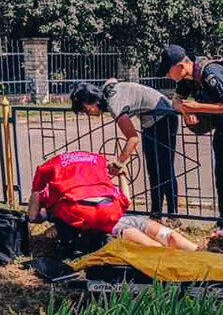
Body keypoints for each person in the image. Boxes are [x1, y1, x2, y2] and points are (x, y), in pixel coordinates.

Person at [158, 45, 223, 241]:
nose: (167, 75)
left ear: (180, 66)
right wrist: (186, 111)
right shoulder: (187, 79)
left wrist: (198, 107)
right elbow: (176, 101)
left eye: (168, 71)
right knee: (222, 172)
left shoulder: (209, 73)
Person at [28, 151, 197, 251]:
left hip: (77, 212)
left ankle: (161, 253)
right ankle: (196, 251)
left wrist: (52, 223)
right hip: (110, 209)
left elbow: (33, 216)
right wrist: (122, 174)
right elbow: (127, 200)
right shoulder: (98, 160)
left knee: (121, 229)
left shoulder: (48, 170)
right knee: (148, 227)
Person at [70, 79, 180, 226]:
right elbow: (113, 80)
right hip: (150, 121)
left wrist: (119, 163)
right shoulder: (107, 93)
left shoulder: (115, 105)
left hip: (164, 117)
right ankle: (156, 214)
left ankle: (173, 216)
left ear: (93, 100)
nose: (89, 114)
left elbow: (133, 139)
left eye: (86, 110)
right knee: (153, 170)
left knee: (165, 169)